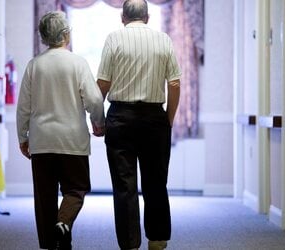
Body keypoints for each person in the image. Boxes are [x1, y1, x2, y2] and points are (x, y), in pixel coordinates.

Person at [16, 11, 105, 250]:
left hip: (42, 141)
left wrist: (22, 137)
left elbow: (23, 106)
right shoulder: (78, 63)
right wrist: (99, 123)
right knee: (76, 189)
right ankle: (63, 222)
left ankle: (50, 243)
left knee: (44, 198)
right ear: (66, 35)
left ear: (44, 37)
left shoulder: (34, 65)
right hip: (72, 141)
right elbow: (95, 101)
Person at [96, 0, 181, 249]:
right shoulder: (163, 40)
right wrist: (169, 119)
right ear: (148, 17)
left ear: (122, 17)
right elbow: (174, 84)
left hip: (120, 118)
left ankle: (130, 244)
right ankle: (156, 239)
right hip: (155, 118)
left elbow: (102, 84)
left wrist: (97, 119)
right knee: (156, 182)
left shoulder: (114, 39)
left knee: (124, 186)